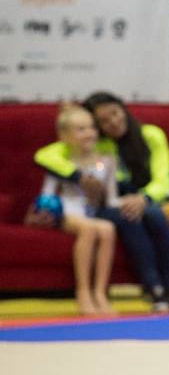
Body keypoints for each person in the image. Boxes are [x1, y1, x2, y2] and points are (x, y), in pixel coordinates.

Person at [82, 91, 169, 313]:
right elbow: (47, 156)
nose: (113, 122)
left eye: (115, 113)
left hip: (147, 196)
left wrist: (144, 198)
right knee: (129, 217)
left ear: (124, 109)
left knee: (153, 214)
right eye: (103, 121)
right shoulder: (98, 145)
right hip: (110, 202)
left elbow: (163, 180)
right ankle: (154, 288)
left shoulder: (151, 135)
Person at [29, 104, 119, 316]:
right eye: (80, 129)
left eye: (91, 128)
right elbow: (48, 194)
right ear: (64, 135)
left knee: (107, 228)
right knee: (88, 229)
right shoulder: (60, 163)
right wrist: (39, 213)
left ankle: (100, 292)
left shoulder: (105, 162)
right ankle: (83, 292)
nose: (89, 133)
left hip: (90, 212)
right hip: (68, 212)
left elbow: (112, 199)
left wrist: (135, 200)